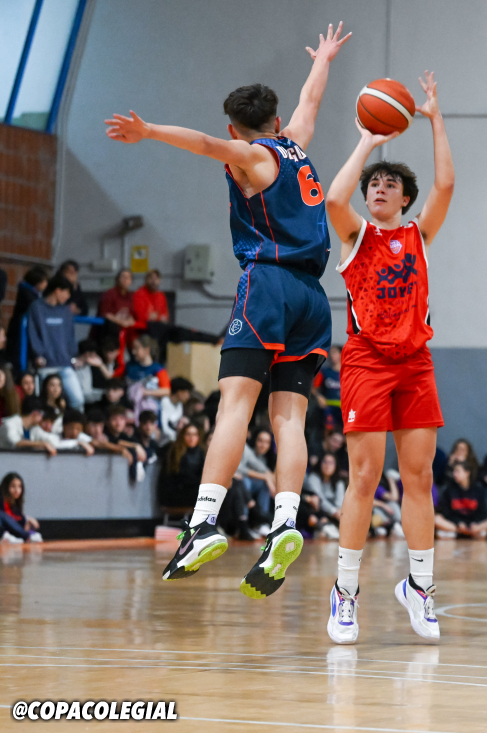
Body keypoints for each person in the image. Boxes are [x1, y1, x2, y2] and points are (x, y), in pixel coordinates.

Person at [106, 22, 351, 593]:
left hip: (268, 284)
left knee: (234, 406)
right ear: (275, 120)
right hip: (313, 299)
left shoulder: (251, 156)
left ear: (235, 128)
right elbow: (310, 102)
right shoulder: (296, 144)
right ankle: (285, 522)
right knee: (289, 418)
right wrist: (323, 60)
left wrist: (149, 131)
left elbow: (204, 144)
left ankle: (203, 523)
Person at [324, 69, 454, 644]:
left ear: (405, 197)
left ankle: (419, 588)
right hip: (366, 362)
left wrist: (435, 119)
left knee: (419, 477)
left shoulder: (419, 235)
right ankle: (345, 593)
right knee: (365, 477)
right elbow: (333, 197)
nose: (377, 187)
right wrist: (366, 142)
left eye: (388, 183)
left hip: (415, 363)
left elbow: (446, 184)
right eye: (373, 182)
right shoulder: (356, 236)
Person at [26, 275, 83, 410]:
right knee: (48, 404)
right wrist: (38, 354)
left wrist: (73, 356)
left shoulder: (66, 310)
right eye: (67, 292)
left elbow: (70, 336)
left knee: (77, 400)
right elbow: (33, 333)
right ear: (58, 290)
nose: (68, 297)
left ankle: (73, 422)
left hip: (65, 363)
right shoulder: (37, 307)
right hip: (46, 365)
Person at [133, 269, 222, 353]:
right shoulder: (139, 294)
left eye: (156, 278)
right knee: (174, 333)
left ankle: (214, 339)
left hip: (161, 328)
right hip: (146, 328)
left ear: (159, 280)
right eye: (151, 278)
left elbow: (165, 317)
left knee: (182, 332)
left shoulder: (161, 296)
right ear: (146, 279)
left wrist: (155, 316)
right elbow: (142, 317)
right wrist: (156, 317)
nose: (154, 281)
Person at [435, 459, 487, 539]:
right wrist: (458, 523)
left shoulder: (479, 489)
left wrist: (475, 523)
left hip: (474, 525)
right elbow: (446, 512)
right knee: (436, 519)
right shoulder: (449, 490)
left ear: (467, 473)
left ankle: (457, 533)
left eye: (458, 471)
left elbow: (483, 511)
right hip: (456, 524)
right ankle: (463, 532)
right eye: (454, 471)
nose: (455, 474)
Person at [4, 266, 47, 365]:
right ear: (37, 281)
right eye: (44, 281)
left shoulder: (35, 293)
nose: (46, 284)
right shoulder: (26, 292)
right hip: (19, 329)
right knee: (18, 354)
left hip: (24, 328)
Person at [237, 428, 277, 531]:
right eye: (260, 441)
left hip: (252, 487)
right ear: (254, 440)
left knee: (265, 485)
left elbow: (266, 472)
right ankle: (243, 522)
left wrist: (271, 481)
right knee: (246, 482)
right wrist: (266, 477)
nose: (263, 445)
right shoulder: (245, 449)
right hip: (239, 484)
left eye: (267, 442)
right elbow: (240, 469)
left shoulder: (268, 459)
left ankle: (261, 523)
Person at [159, 423, 206, 509]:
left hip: (193, 489)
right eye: (188, 434)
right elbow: (179, 477)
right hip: (176, 492)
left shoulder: (201, 453)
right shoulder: (175, 451)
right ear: (182, 436)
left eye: (194, 434)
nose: (191, 438)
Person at [302, 452, 345, 539]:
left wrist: (339, 514)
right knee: (315, 501)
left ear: (336, 466)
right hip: (317, 512)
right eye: (325, 462)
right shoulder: (313, 478)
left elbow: (340, 503)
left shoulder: (339, 482)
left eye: (331, 463)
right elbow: (320, 500)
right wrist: (334, 511)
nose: (327, 465)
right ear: (320, 463)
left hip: (336, 515)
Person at [125, 335, 170, 415]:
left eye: (137, 348)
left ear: (147, 350)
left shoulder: (158, 369)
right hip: (131, 408)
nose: (133, 352)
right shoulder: (130, 367)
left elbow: (166, 391)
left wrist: (145, 392)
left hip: (150, 410)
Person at [0, 473, 41, 544]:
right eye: (13, 486)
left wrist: (27, 521)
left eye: (19, 487)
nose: (17, 490)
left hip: (12, 533)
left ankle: (27, 535)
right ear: (5, 487)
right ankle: (26, 536)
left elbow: (16, 522)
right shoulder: (1, 501)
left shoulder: (15, 505)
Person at [159, 377, 193, 443]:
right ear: (179, 392)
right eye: (187, 392)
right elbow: (164, 427)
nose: (188, 396)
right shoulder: (165, 401)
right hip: (164, 439)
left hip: (174, 438)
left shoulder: (179, 404)